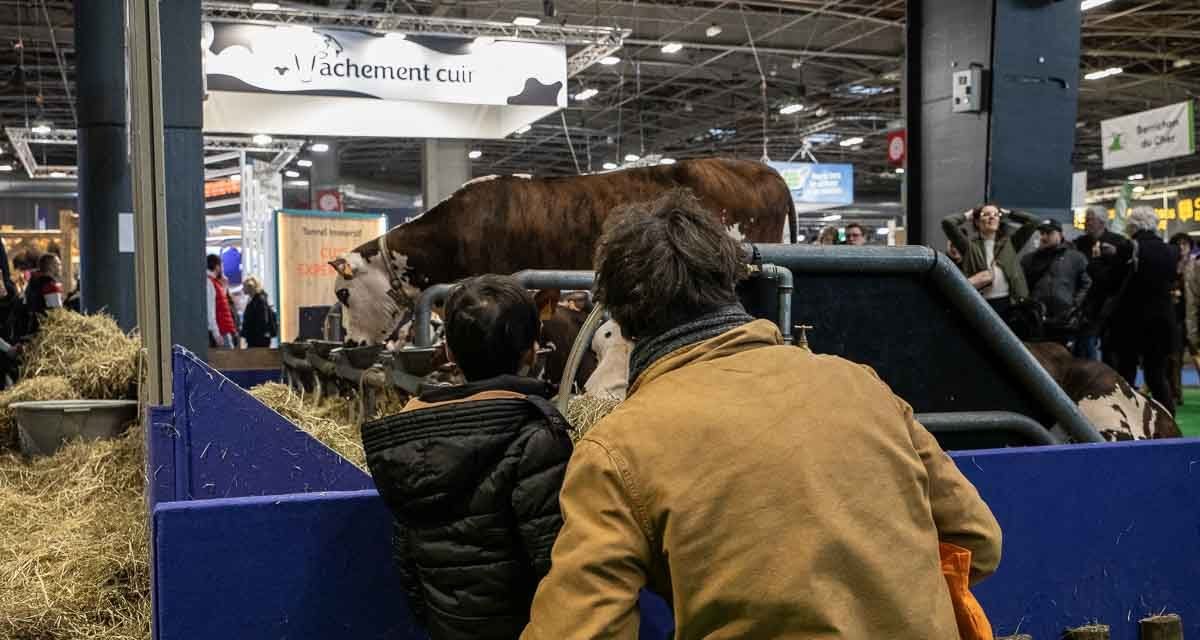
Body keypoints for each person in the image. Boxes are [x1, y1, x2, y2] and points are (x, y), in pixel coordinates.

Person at [524, 189, 1002, 640]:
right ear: (731, 280)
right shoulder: (859, 384)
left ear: (621, 318)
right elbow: (978, 540)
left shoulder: (617, 449)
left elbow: (578, 629)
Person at [361, 274, 573, 640]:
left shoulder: (410, 438)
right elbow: (557, 563)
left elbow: (406, 556)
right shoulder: (535, 438)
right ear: (531, 351)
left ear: (450, 353)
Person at [1110, 207, 1178, 414]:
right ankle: (1168, 418)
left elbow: (1112, 281)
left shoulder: (1128, 248)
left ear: (1134, 225)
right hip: (1162, 321)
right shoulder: (1170, 251)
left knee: (1126, 372)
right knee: (1156, 375)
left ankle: (1127, 417)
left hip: (1132, 320)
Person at [942, 203, 1040, 317]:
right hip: (980, 302)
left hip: (1008, 303)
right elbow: (947, 222)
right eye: (986, 214)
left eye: (996, 214)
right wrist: (968, 214)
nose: (992, 217)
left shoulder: (1009, 243)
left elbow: (1034, 221)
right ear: (977, 222)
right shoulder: (969, 246)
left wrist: (1009, 213)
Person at [1073, 206, 1133, 363]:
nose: (1086, 223)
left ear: (1102, 222)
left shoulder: (1120, 243)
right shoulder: (1079, 244)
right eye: (1085, 219)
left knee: (1111, 353)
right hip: (1086, 306)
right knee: (1084, 349)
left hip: (1111, 306)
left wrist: (1115, 255)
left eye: (1090, 219)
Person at [1020, 219, 1091, 344]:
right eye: (1042, 233)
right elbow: (1021, 284)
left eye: (1049, 233)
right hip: (1037, 318)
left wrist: (1074, 304)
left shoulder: (1076, 257)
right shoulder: (1029, 259)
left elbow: (1086, 283)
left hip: (1064, 319)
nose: (1044, 236)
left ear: (1060, 234)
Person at [1168, 233, 1194, 406]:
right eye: (1179, 244)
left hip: (1193, 318)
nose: (1182, 247)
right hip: (1176, 319)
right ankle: (1176, 394)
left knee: (1197, 356)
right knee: (1174, 359)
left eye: (1185, 244)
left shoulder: (1196, 266)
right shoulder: (1168, 267)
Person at [206, 254, 238, 349]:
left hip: (223, 329)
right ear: (217, 267)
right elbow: (211, 309)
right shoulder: (209, 282)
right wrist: (216, 333)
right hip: (221, 330)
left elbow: (219, 303)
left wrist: (224, 287)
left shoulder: (214, 282)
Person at [239, 276, 277, 348]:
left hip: (258, 339)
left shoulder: (259, 300)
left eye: (244, 286)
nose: (242, 289)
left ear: (250, 288)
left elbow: (263, 320)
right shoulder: (253, 300)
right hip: (255, 338)